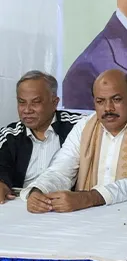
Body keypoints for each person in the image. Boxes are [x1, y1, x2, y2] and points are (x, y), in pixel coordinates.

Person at [20, 69, 127, 213]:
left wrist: (89, 198)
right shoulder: (85, 126)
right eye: (100, 101)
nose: (108, 108)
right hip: (88, 216)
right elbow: (61, 169)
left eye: (116, 99)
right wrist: (38, 190)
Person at [0, 71, 83, 204]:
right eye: (22, 102)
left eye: (35, 102)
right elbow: (2, 165)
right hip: (22, 205)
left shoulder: (77, 127)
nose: (27, 110)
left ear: (54, 103)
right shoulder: (9, 134)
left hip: (66, 205)